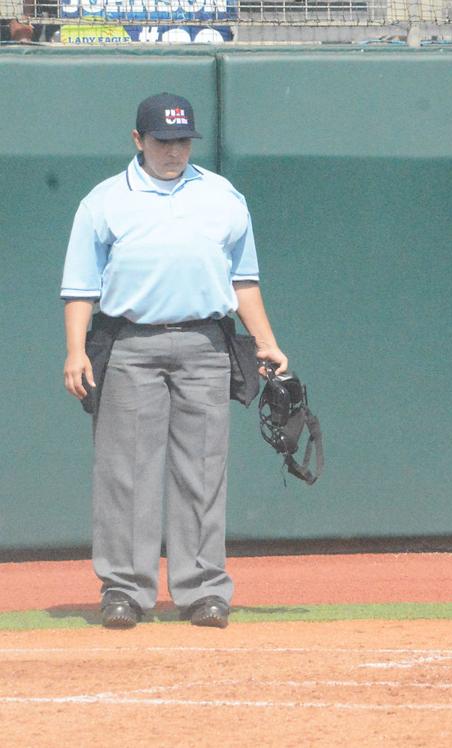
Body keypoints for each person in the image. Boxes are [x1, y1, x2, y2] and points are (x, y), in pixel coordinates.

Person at [60, 92, 287, 630]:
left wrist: (267, 342)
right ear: (138, 140)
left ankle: (204, 589)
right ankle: (124, 590)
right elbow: (79, 287)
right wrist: (74, 351)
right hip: (130, 344)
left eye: (183, 140)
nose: (174, 151)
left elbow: (244, 280)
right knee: (126, 474)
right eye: (163, 141)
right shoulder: (106, 200)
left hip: (205, 344)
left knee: (203, 470)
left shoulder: (222, 196)